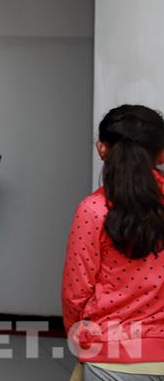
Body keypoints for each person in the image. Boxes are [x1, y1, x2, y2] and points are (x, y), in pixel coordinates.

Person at [62, 104, 164, 381]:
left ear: (102, 149)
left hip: (111, 358)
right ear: (162, 153)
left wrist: (80, 338)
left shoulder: (93, 210)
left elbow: (76, 293)